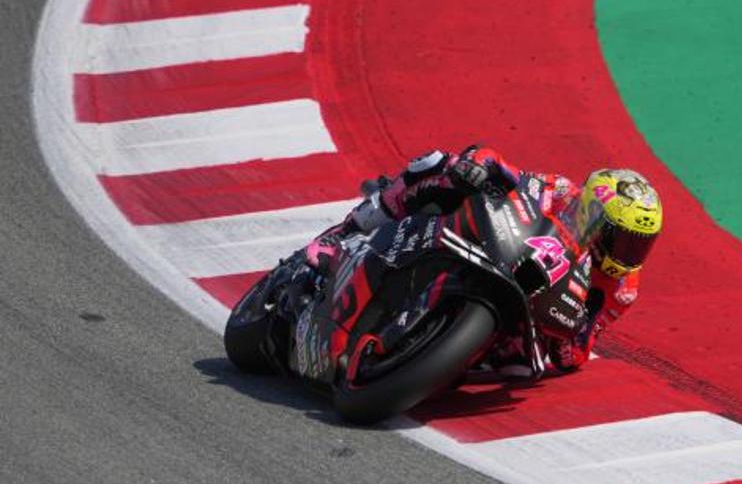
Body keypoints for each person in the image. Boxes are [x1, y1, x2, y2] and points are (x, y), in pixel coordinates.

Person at [268, 145, 663, 375]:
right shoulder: (563, 193)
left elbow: (580, 348)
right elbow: (510, 175)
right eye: (621, 237)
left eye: (639, 244)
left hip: (523, 317)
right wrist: (479, 162)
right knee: (442, 164)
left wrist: (565, 337)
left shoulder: (624, 289)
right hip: (497, 243)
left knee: (518, 368)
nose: (627, 253)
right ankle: (349, 231)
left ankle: (431, 350)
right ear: (590, 211)